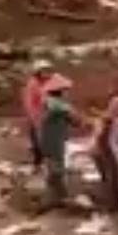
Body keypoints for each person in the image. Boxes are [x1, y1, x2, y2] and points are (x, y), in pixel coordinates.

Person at [39, 74, 81, 206]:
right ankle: (54, 198)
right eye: (66, 90)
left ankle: (57, 197)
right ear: (60, 91)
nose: (68, 93)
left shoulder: (54, 103)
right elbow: (75, 119)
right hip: (52, 140)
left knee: (55, 168)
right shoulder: (54, 103)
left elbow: (74, 121)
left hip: (52, 139)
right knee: (56, 170)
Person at [91, 97, 118, 213]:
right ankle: (112, 204)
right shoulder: (107, 120)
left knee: (110, 178)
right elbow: (101, 137)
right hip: (106, 151)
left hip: (104, 151)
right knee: (112, 178)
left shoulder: (113, 120)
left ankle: (113, 204)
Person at [22, 59, 54, 170]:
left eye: (48, 70)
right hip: (37, 117)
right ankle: (38, 163)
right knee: (38, 141)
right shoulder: (33, 84)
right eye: (44, 71)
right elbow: (29, 103)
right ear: (38, 72)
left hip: (47, 116)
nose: (47, 73)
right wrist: (34, 118)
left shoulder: (49, 83)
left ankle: (48, 162)